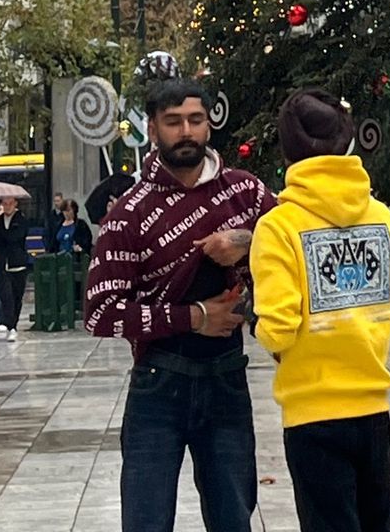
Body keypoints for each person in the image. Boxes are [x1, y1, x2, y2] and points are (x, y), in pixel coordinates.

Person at [84, 78, 275, 532]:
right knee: (146, 520)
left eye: (195, 120)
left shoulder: (245, 194)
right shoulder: (129, 213)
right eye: (173, 122)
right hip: (158, 385)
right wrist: (195, 316)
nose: (186, 131)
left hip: (227, 380)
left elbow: (297, 245)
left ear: (210, 125)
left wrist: (249, 241)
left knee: (234, 518)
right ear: (152, 129)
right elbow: (100, 312)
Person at [250, 90, 390, 532]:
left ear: (288, 150)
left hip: (312, 412)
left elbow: (278, 329)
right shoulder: (381, 218)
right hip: (372, 405)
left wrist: (257, 325)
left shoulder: (279, 226)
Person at [0, 195, 30, 341]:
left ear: (15, 204)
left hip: (18, 264)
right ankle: (9, 324)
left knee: (17, 296)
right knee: (6, 297)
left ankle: (14, 325)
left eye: (10, 203)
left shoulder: (21, 220)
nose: (7, 206)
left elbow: (13, 238)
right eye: (4, 204)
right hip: (2, 266)